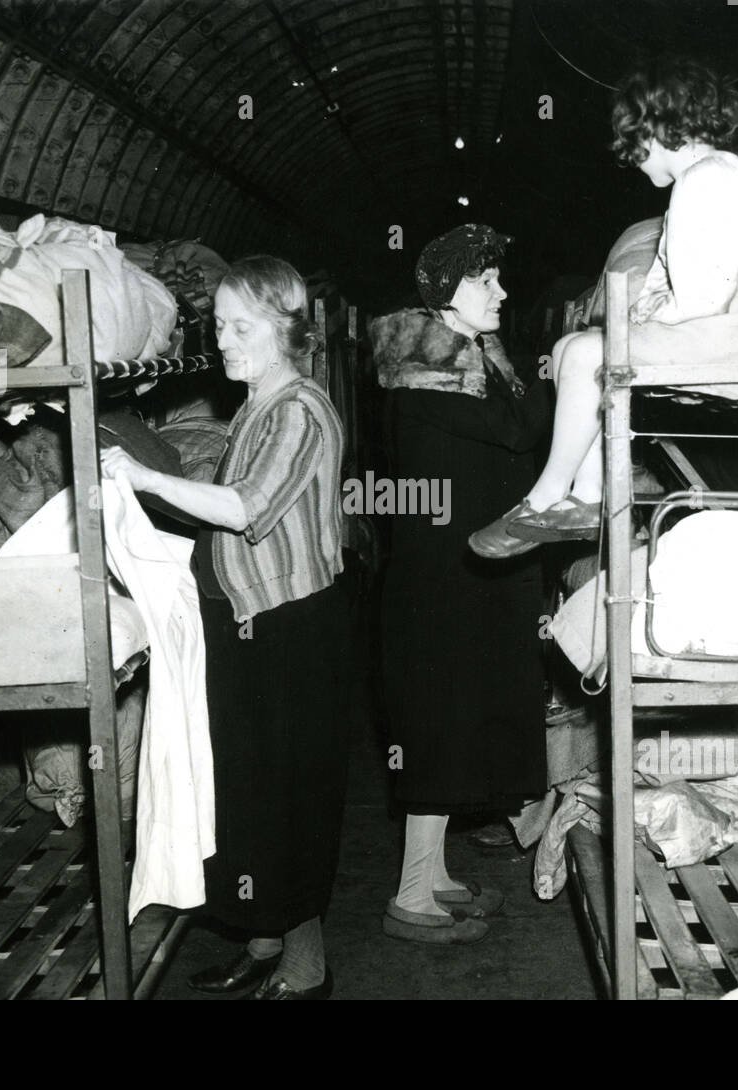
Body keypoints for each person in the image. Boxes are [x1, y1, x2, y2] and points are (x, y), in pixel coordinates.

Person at [100, 255, 347, 1000]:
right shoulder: (257, 403)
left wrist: (142, 480)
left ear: (285, 330)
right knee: (247, 791)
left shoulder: (298, 409)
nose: (224, 340)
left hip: (288, 631)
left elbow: (246, 508)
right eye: (219, 325)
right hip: (248, 626)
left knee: (288, 792)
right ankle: (266, 942)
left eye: (242, 327)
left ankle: (308, 968)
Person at [470, 57, 738, 556]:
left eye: (635, 144)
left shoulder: (705, 179)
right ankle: (587, 495)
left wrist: (645, 319)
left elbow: (705, 299)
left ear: (657, 127)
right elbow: (683, 282)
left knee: (582, 354)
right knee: (567, 350)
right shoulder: (714, 174)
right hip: (732, 325)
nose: (633, 159)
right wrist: (645, 313)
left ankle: (544, 496)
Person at [370, 224, 550, 944]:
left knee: (454, 727)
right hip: (438, 592)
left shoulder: (469, 361)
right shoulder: (424, 379)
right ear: (447, 294)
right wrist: (569, 363)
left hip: (469, 579)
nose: (502, 291)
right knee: (439, 732)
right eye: (487, 280)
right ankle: (410, 898)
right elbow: (520, 428)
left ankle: (435, 876)